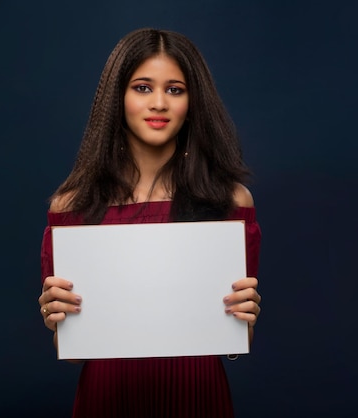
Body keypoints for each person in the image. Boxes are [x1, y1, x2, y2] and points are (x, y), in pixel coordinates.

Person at [38, 28, 262, 418]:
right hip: (108, 398)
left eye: (175, 90)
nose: (159, 103)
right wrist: (56, 320)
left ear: (192, 103)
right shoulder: (71, 207)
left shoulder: (230, 203)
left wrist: (245, 317)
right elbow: (72, 354)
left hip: (197, 396)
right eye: (142, 87)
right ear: (117, 98)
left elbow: (233, 343)